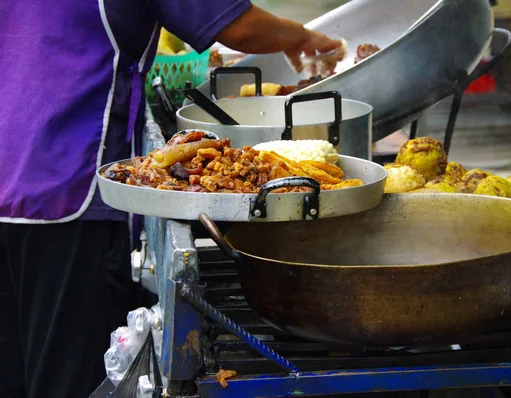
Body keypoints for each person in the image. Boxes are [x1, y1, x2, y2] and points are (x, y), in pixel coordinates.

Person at [0, 1, 343, 397]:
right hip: (64, 189)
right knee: (67, 377)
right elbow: (238, 26)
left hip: (15, 174)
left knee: (12, 370)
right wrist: (304, 38)